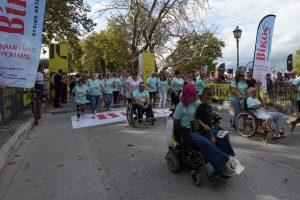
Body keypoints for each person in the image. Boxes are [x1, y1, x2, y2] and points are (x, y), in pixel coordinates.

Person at [173, 84, 244, 176]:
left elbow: (205, 109)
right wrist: (180, 134)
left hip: (199, 128)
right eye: (195, 94)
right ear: (189, 95)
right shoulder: (181, 106)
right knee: (205, 142)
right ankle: (225, 163)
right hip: (187, 132)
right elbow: (175, 123)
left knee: (221, 135)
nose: (197, 95)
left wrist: (213, 114)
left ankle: (231, 158)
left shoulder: (197, 102)